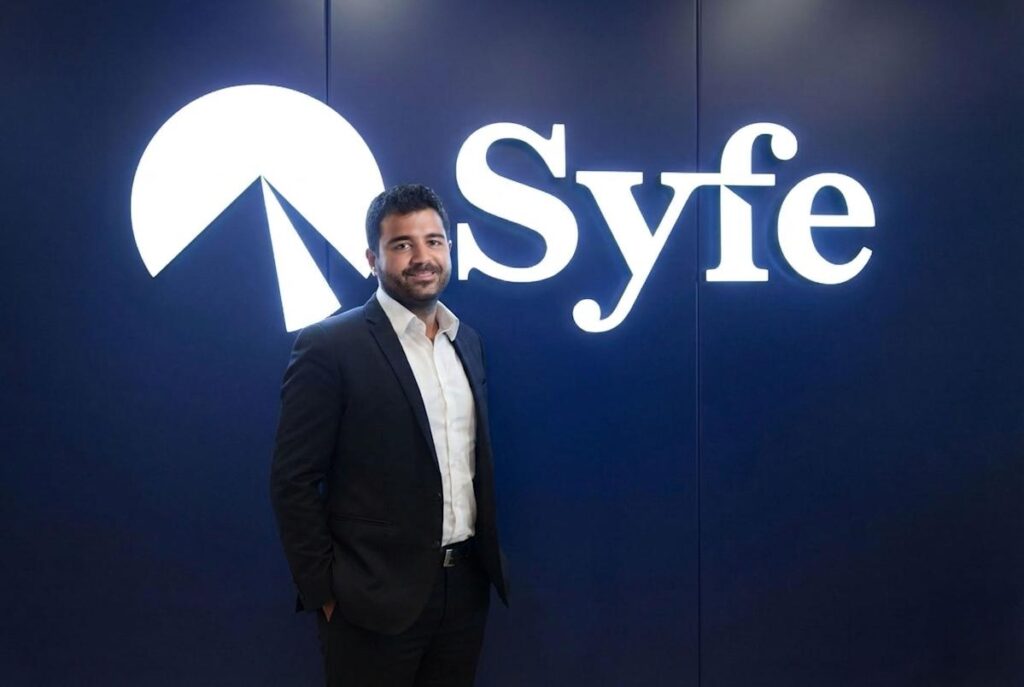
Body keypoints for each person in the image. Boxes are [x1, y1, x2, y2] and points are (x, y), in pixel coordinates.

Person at [270, 184, 508, 687]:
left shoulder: (466, 341)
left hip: (464, 593)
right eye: (402, 244)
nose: (422, 257)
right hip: (371, 602)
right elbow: (293, 481)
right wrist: (325, 594)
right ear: (372, 259)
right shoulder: (329, 347)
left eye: (434, 241)